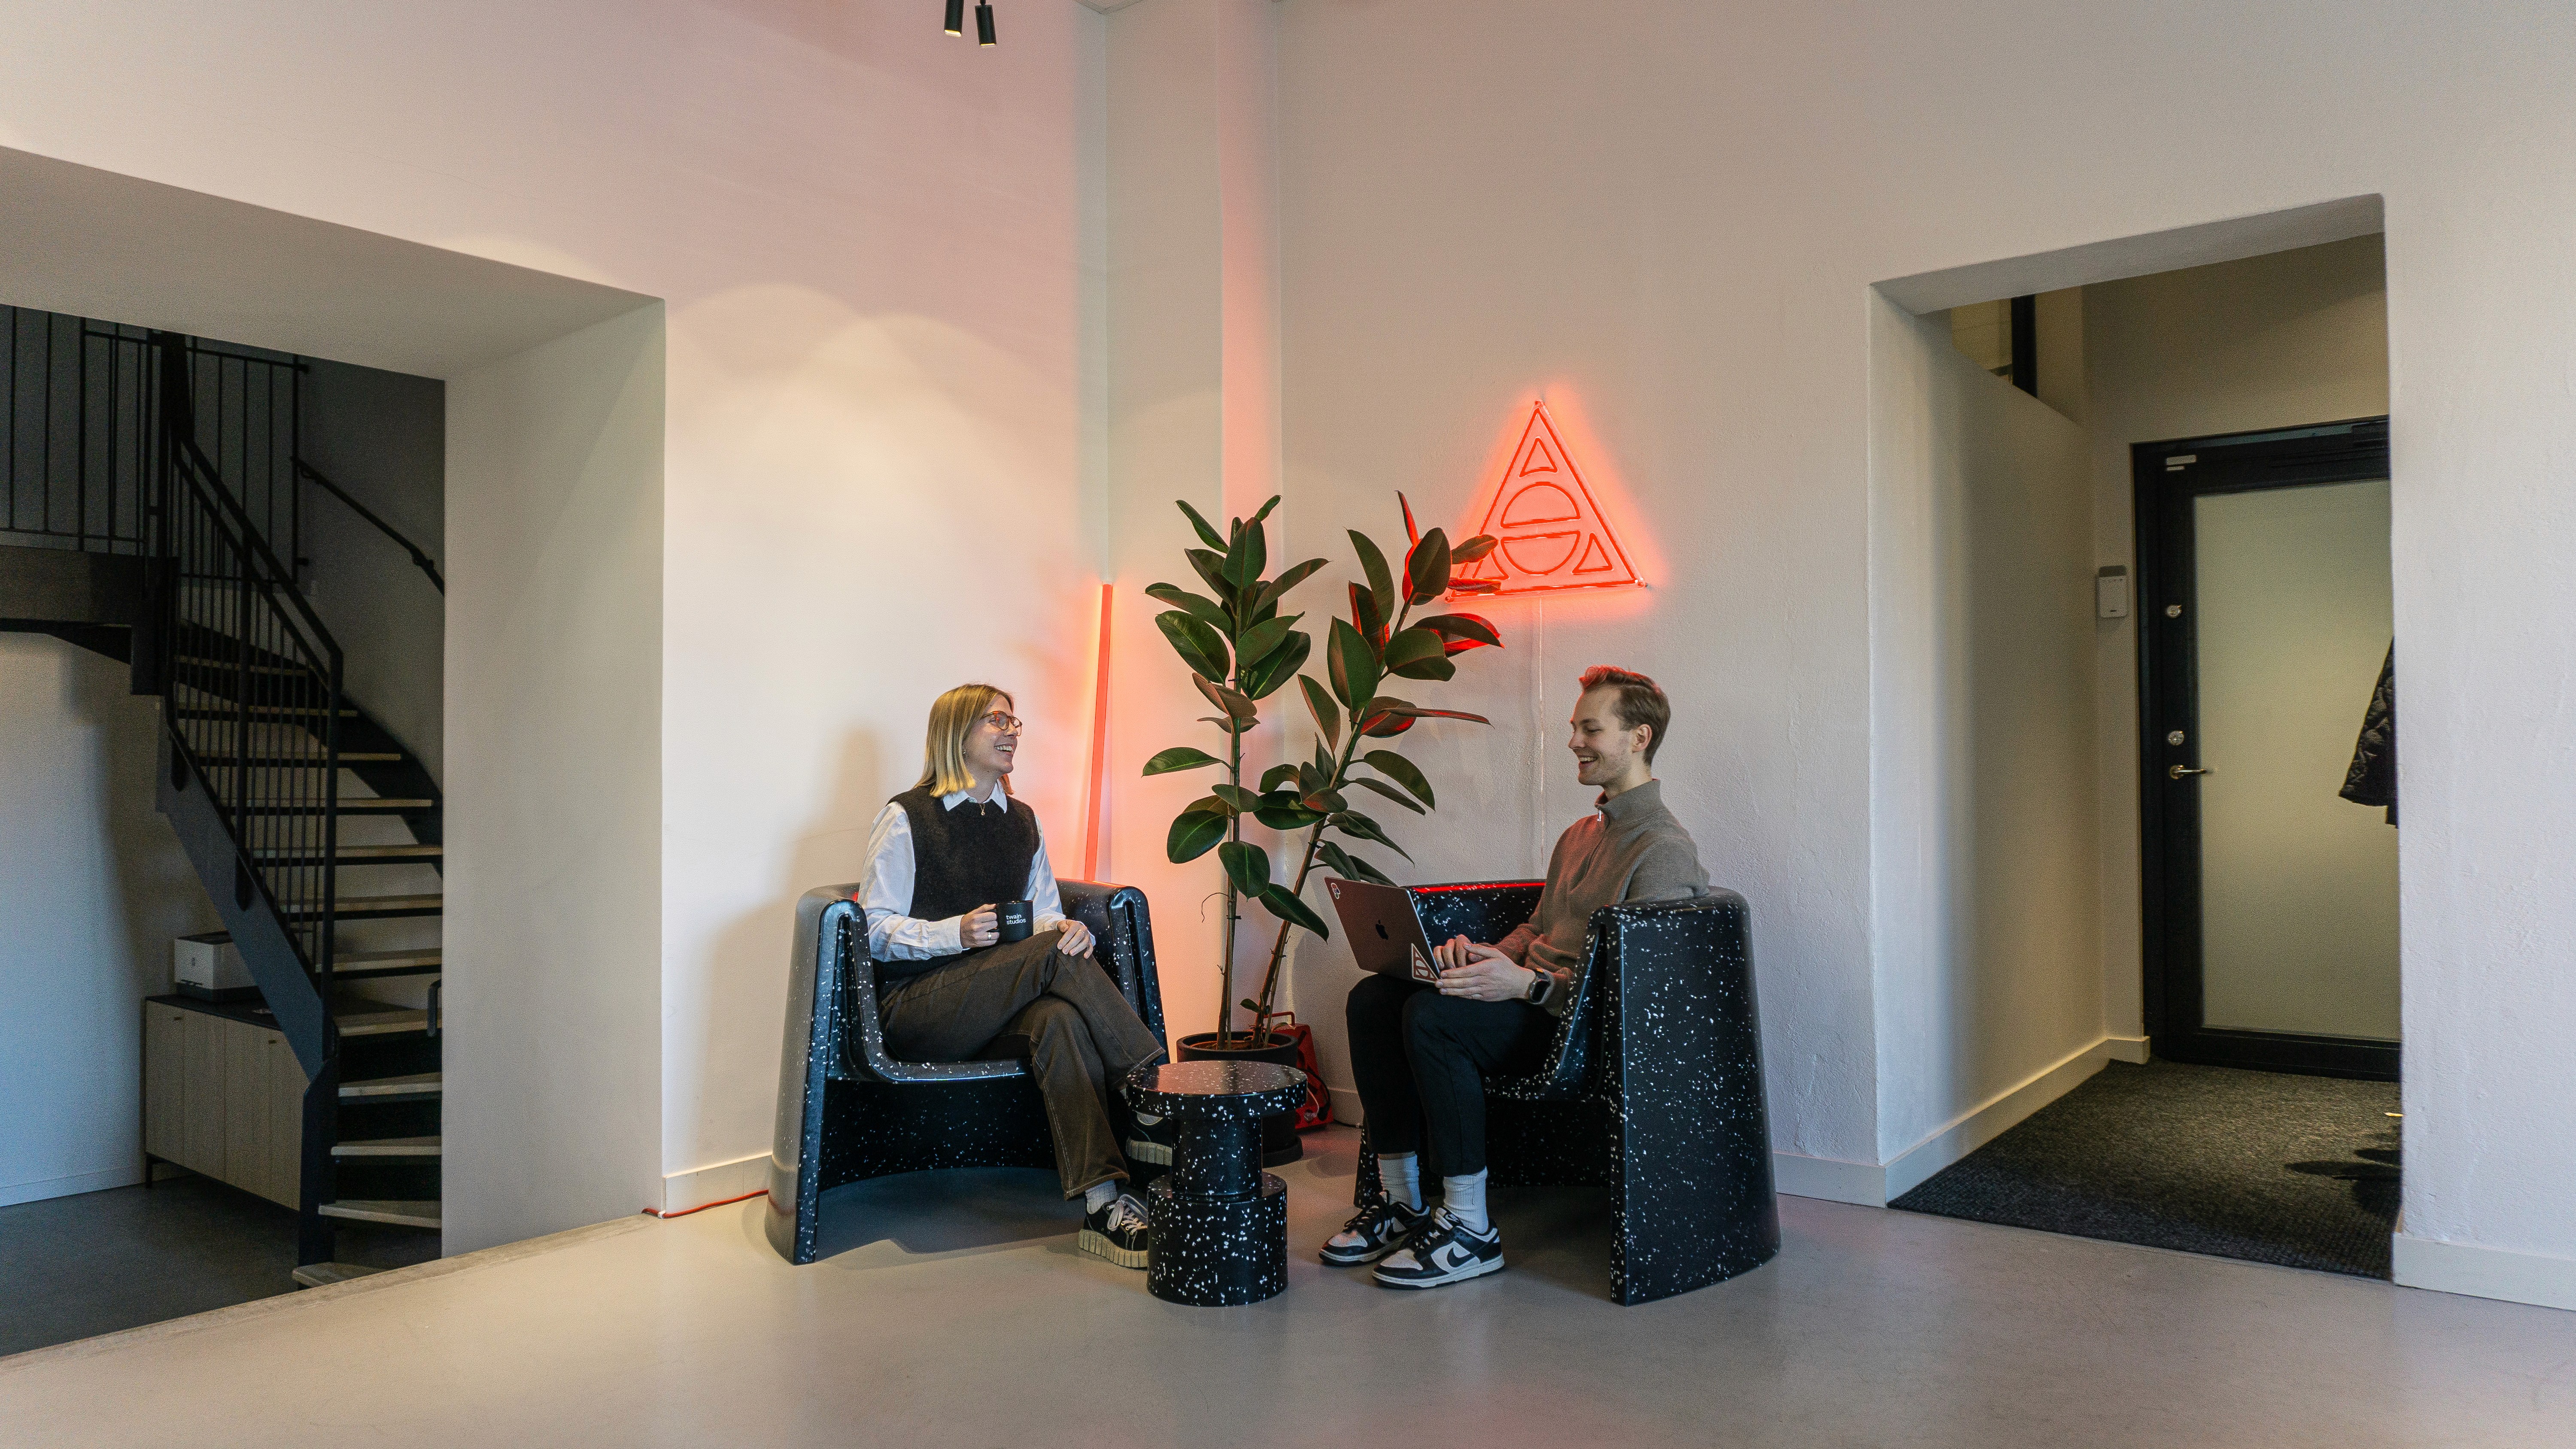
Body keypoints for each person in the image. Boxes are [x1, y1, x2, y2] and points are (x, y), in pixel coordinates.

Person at [1327, 666, 1710, 1288]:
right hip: (1526, 1001)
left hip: (1572, 1030)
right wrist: (1487, 955)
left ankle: (1471, 1228)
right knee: (1374, 997)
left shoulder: (1664, 851)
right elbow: (1539, 927)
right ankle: (1400, 1200)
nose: (1574, 742)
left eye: (1591, 729)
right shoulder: (1582, 835)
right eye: (1574, 727)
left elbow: (1635, 992)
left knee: (1433, 1018)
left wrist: (1528, 988)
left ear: (1638, 738)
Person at [860, 683, 1172, 1269]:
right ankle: (1153, 1093)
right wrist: (952, 932)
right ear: (957, 734)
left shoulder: (1022, 821)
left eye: (1015, 721)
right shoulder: (906, 818)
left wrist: (1067, 929)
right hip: (918, 1009)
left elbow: (1044, 910)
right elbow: (872, 928)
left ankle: (1103, 1205)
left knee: (1057, 1019)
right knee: (1052, 956)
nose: (1011, 731)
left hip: (999, 1003)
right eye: (995, 720)